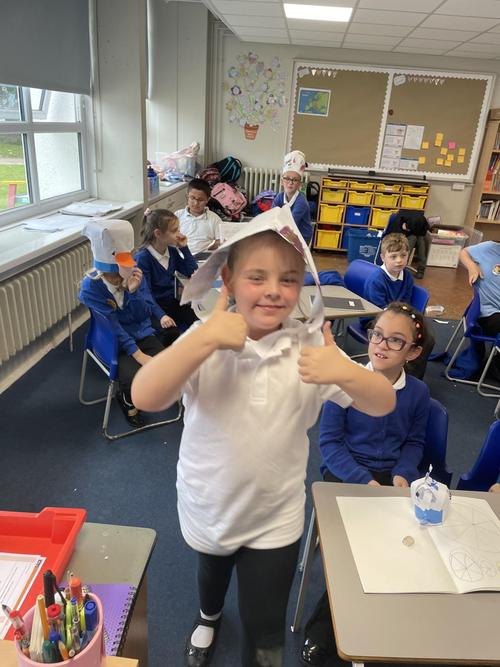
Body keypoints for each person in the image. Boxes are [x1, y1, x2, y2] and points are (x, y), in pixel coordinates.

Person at [131, 207, 395, 667]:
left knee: (266, 625)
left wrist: (345, 372)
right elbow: (145, 395)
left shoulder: (311, 346)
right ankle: (209, 615)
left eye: (288, 279)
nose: (274, 290)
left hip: (276, 515)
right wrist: (204, 340)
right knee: (212, 571)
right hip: (211, 503)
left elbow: (382, 403)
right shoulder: (205, 338)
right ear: (228, 281)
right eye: (257, 277)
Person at [301, 302, 431, 667]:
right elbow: (330, 445)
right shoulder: (346, 381)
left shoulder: (418, 393)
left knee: (404, 544)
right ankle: (325, 626)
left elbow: (414, 443)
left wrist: (403, 472)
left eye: (395, 340)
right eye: (377, 335)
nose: (381, 345)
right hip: (345, 473)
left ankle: (383, 620)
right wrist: (365, 481)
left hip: (391, 476)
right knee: (353, 550)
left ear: (413, 352)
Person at [79, 219, 170, 428]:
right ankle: (127, 398)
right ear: (103, 272)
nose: (118, 280)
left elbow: (143, 314)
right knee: (135, 377)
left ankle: (143, 391)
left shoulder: (133, 273)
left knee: (164, 367)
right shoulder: (91, 287)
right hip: (112, 341)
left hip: (139, 332)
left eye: (120, 276)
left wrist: (133, 291)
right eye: (113, 277)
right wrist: (139, 355)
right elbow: (113, 327)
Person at [363, 233, 434, 380]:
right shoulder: (376, 279)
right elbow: (379, 311)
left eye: (403, 255)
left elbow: (405, 303)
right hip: (375, 320)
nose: (399, 260)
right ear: (383, 257)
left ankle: (412, 378)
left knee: (428, 339)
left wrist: (406, 321)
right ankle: (393, 374)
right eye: (393, 256)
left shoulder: (407, 277)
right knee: (401, 340)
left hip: (397, 317)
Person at [135, 208, 199, 333]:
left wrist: (185, 248)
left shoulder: (171, 250)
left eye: (178, 229)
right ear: (158, 233)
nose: (179, 234)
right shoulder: (143, 258)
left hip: (172, 302)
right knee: (171, 333)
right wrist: (161, 315)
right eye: (174, 231)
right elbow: (145, 294)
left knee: (197, 322)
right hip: (154, 308)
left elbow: (190, 271)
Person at [459, 241, 500, 379]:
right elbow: (464, 252)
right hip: (488, 314)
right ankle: (495, 366)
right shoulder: (489, 248)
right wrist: (472, 266)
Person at [272, 150, 313, 245]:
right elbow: (272, 215)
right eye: (287, 178)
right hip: (288, 231)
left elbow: (291, 223)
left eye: (295, 180)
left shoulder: (301, 202)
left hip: (301, 237)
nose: (290, 183)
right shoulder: (279, 197)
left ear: (300, 184)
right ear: (281, 182)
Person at [176, 178, 222, 256]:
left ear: (207, 200)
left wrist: (215, 245)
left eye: (200, 200)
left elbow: (221, 240)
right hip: (181, 257)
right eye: (192, 198)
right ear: (187, 196)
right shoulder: (178, 215)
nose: (196, 203)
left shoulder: (214, 219)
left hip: (204, 257)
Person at [383, 209, 430, 279]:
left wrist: (410, 231)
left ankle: (420, 269)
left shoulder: (421, 223)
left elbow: (423, 232)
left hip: (417, 231)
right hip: (404, 234)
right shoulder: (398, 221)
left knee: (420, 240)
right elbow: (393, 235)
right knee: (414, 238)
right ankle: (408, 267)